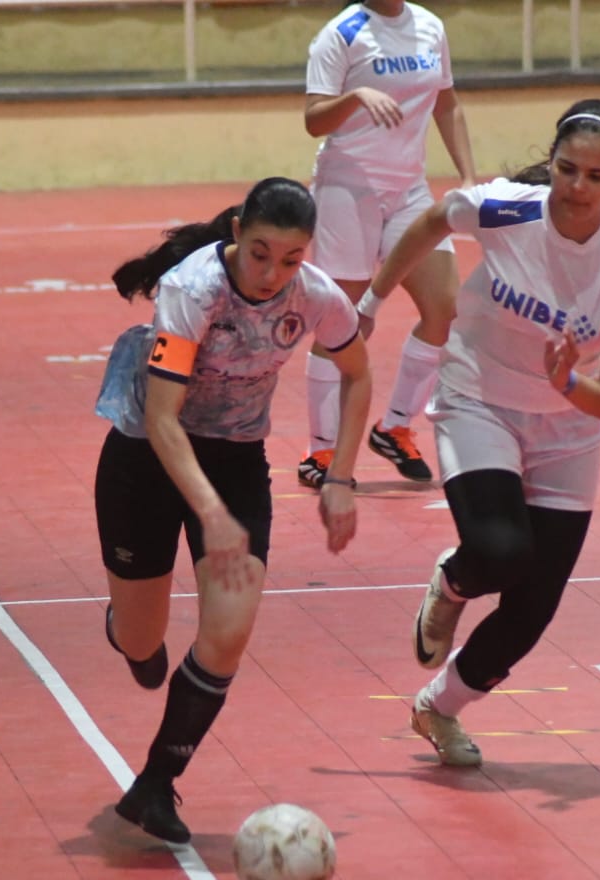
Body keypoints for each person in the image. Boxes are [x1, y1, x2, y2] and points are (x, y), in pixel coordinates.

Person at [355, 100, 600, 767]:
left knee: (531, 610)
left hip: (568, 425)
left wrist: (568, 385)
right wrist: (371, 301)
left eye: (596, 177)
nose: (577, 189)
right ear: (549, 165)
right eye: (566, 170)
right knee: (498, 551)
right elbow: (433, 217)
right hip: (479, 397)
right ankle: (455, 581)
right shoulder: (507, 208)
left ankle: (437, 709)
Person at [94, 177, 372, 843]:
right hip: (147, 459)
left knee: (229, 630)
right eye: (259, 253)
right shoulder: (191, 291)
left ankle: (155, 785)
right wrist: (208, 514)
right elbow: (162, 420)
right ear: (237, 234)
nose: (271, 273)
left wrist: (341, 475)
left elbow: (357, 373)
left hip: (237, 461)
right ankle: (125, 629)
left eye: (290, 258)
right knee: (142, 641)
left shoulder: (314, 298)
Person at [296, 0, 476, 489]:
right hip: (348, 186)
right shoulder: (341, 33)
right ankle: (321, 449)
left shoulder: (430, 26)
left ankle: (395, 425)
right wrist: (355, 96)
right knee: (344, 318)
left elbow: (447, 102)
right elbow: (314, 119)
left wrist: (467, 176)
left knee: (445, 309)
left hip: (409, 189)